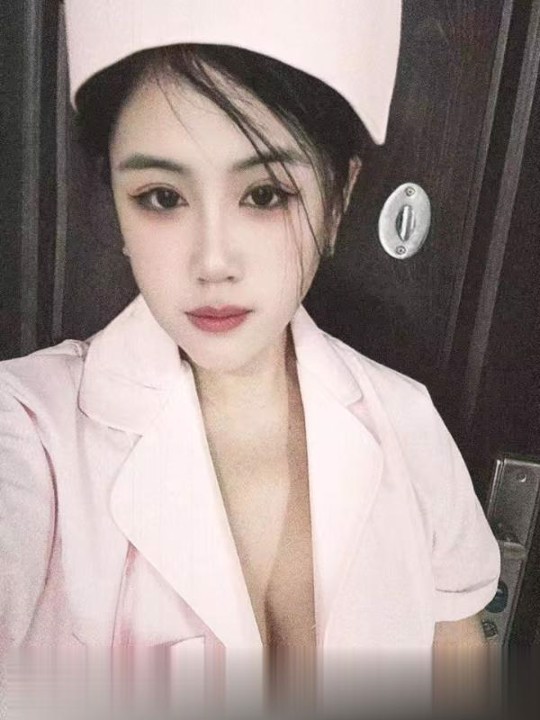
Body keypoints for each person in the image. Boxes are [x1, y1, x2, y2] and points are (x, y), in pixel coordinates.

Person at [0, 0, 500, 716]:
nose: (212, 261)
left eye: (265, 194)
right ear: (116, 204)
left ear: (338, 200)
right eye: (161, 196)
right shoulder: (29, 432)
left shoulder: (408, 422)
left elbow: (456, 646)